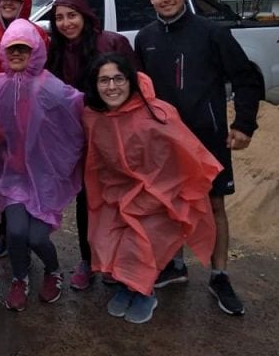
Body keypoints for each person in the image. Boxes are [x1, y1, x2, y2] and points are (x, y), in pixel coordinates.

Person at [134, 0, 262, 316]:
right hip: (165, 141)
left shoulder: (212, 33)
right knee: (168, 205)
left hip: (208, 138)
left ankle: (219, 275)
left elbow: (247, 78)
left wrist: (244, 124)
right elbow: (140, 93)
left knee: (214, 207)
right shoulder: (144, 38)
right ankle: (175, 265)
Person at [82, 53, 222, 324]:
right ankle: (127, 286)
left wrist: (158, 192)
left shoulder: (157, 113)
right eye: (104, 80)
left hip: (157, 197)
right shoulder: (94, 116)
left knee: (140, 245)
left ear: (130, 81)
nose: (112, 87)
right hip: (116, 194)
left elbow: (184, 154)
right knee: (106, 239)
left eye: (118, 79)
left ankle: (144, 292)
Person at [0, 19, 84, 311]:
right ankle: (19, 277)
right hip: (13, 178)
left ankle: (53, 271)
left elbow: (77, 109)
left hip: (43, 178)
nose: (17, 54)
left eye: (24, 49)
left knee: (37, 236)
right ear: (3, 51)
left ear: (34, 50)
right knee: (14, 232)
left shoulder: (50, 86)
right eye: (12, 49)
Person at [44, 0, 136, 290]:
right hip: (78, 140)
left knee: (118, 199)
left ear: (84, 15)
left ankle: (118, 263)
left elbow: (135, 87)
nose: (66, 23)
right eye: (60, 17)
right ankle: (89, 260)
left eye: (72, 15)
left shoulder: (111, 43)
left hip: (113, 134)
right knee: (87, 200)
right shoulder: (54, 51)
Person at [0, 0, 51, 260]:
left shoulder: (39, 34)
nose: (8, 3)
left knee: (27, 177)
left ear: (25, 4)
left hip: (29, 118)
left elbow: (44, 74)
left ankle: (28, 229)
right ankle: (4, 232)